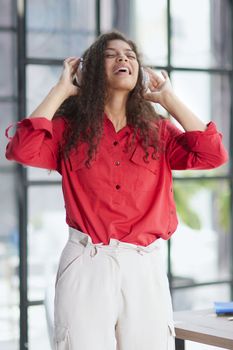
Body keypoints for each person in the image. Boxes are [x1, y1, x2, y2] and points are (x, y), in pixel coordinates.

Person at [5, 31, 228, 350]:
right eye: (111, 55)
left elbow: (212, 154)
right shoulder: (69, 130)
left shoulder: (159, 132)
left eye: (130, 55)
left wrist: (168, 99)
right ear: (91, 70)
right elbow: (22, 149)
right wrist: (61, 90)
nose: (123, 58)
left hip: (144, 264)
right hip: (87, 260)